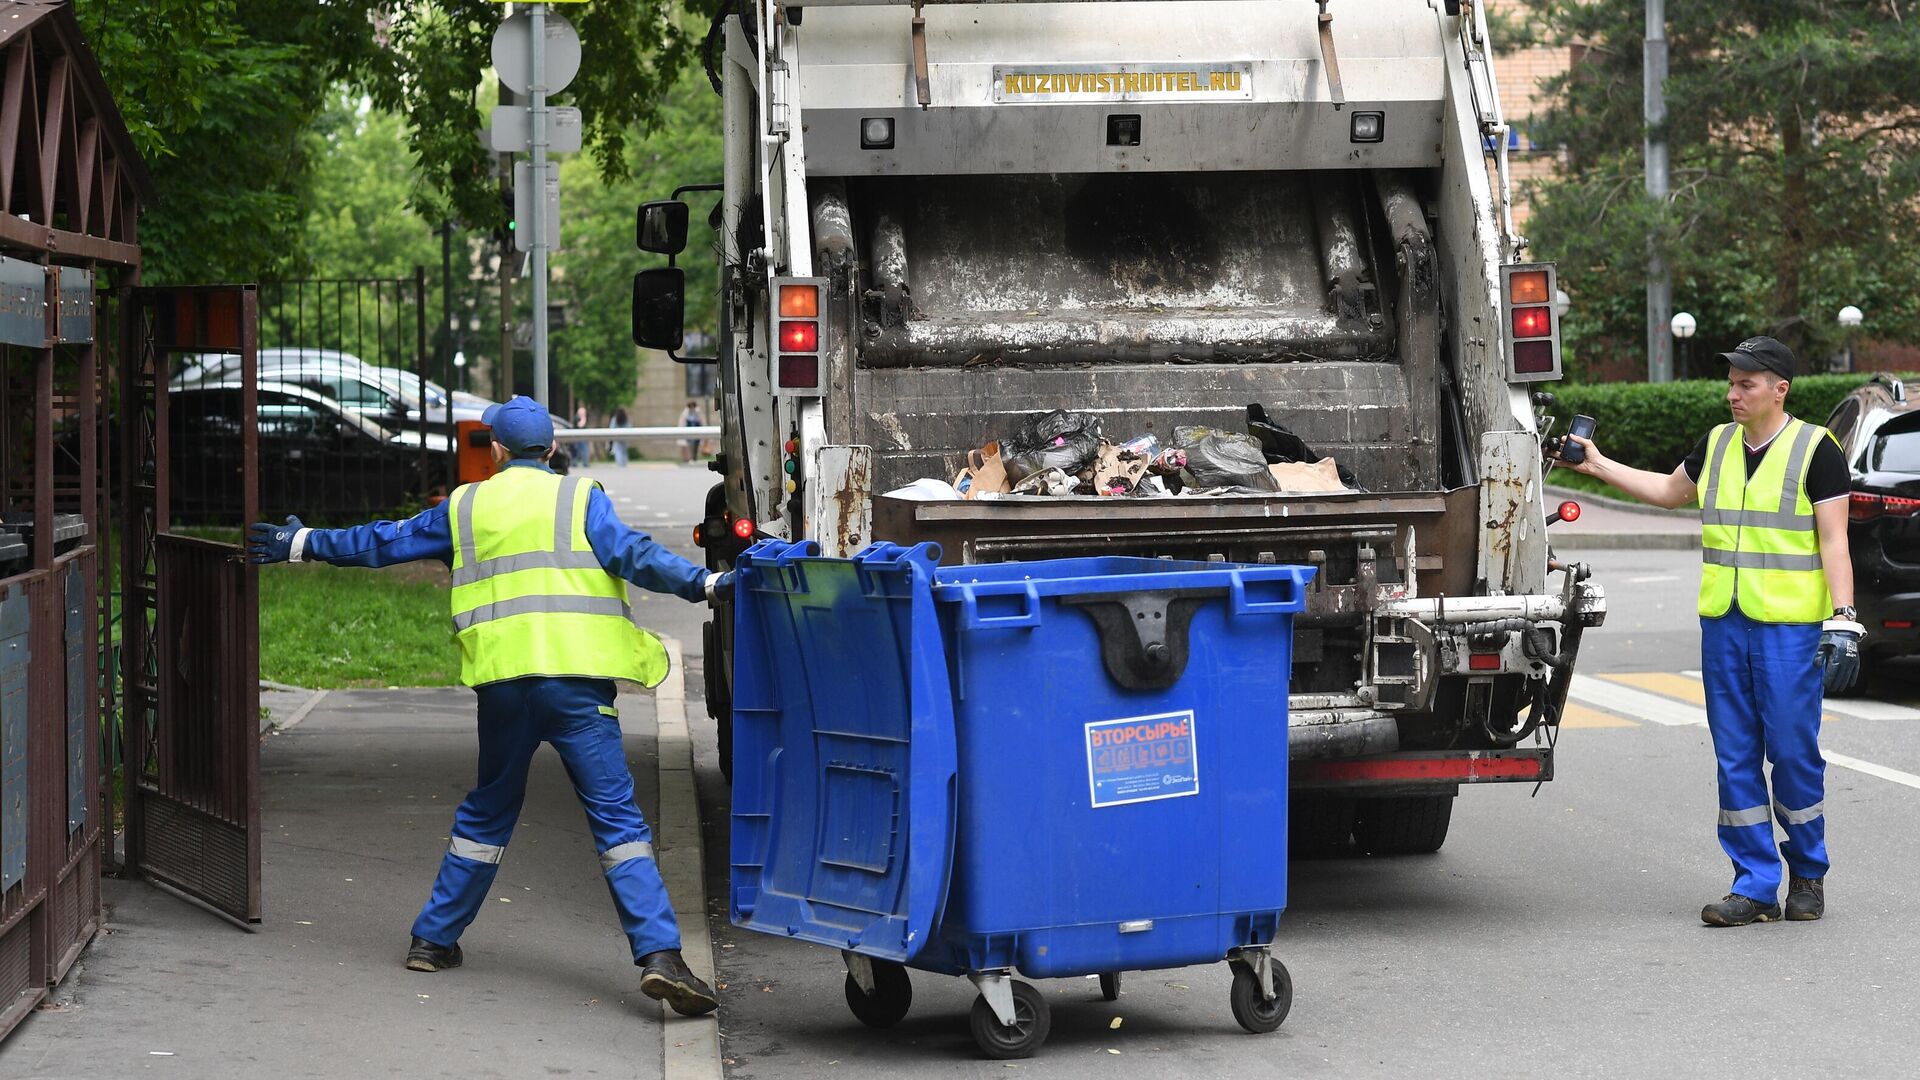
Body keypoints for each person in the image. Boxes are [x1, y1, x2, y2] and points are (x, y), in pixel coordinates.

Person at [247, 395, 731, 1015]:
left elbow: (381, 543)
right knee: (618, 824)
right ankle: (660, 957)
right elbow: (639, 557)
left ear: (495, 451)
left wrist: (301, 542)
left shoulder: (465, 505)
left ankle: (433, 937)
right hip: (578, 689)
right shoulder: (581, 499)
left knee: (488, 812)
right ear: (553, 449)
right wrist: (707, 582)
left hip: (504, 690)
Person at [1554, 335, 1860, 927]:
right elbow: (1670, 492)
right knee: (1735, 755)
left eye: (1746, 384)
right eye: (1732, 382)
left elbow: (1834, 542)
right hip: (1724, 624)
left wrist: (1844, 619)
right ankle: (1753, 883)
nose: (1733, 393)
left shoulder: (1815, 450)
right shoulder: (1717, 445)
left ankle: (1809, 872)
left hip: (1790, 629)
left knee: (1793, 754)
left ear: (1780, 389)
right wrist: (1594, 463)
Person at [573, 403, 591, 467]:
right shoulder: (577, 418)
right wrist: (583, 418)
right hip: (577, 437)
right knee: (577, 450)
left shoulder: (584, 418)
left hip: (583, 437)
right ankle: (575, 463)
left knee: (583, 449)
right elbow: (580, 425)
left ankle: (585, 462)